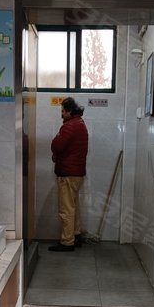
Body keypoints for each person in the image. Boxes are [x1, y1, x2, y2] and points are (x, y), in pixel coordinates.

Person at [49, 97, 88, 252]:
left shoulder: (70, 126)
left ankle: (67, 241)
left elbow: (56, 145)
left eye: (63, 111)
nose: (62, 114)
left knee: (66, 209)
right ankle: (76, 235)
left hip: (68, 173)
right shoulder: (80, 123)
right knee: (73, 206)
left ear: (69, 111)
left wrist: (56, 141)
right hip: (76, 173)